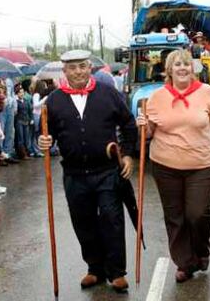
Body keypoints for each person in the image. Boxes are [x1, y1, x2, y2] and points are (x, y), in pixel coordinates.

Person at [38, 49, 137, 292]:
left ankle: (116, 272)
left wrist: (127, 155)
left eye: (82, 66)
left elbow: (129, 124)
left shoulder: (108, 94)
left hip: (107, 172)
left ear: (89, 68)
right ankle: (95, 268)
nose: (78, 71)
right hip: (74, 174)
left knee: (112, 220)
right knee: (83, 222)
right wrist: (43, 141)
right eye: (73, 68)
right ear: (65, 71)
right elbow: (43, 133)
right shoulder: (54, 100)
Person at [136, 49, 210, 283]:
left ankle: (201, 251)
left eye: (186, 64)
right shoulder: (157, 97)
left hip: (201, 164)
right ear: (169, 69)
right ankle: (185, 263)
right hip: (165, 165)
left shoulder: (206, 92)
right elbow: (149, 134)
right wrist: (143, 125)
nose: (182, 68)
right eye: (177, 64)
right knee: (174, 216)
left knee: (198, 213)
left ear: (193, 68)